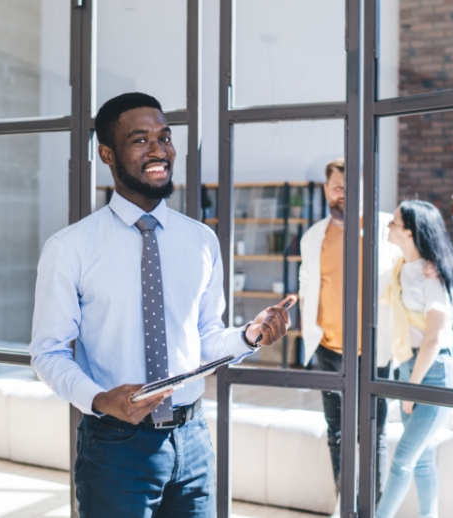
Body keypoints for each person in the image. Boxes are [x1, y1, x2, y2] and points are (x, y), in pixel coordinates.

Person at [29, 92, 295, 518]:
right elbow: (48, 352)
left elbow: (204, 338)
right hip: (115, 448)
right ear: (107, 154)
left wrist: (249, 335)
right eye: (140, 140)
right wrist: (100, 400)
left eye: (165, 137)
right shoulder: (69, 248)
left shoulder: (202, 241)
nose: (159, 150)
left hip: (192, 443)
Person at [298, 158, 403, 498]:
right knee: (337, 433)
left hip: (376, 352)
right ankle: (346, 504)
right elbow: (306, 287)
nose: (343, 193)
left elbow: (413, 267)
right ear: (328, 190)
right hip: (329, 351)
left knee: (374, 433)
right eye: (337, 187)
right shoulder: (313, 237)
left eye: (350, 187)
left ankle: (372, 508)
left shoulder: (386, 230)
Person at [374, 200, 453, 518]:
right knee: (422, 459)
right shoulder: (401, 267)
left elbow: (435, 337)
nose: (388, 226)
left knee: (402, 461)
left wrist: (412, 387)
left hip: (434, 373)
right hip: (410, 368)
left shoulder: (431, 275)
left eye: (395, 223)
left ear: (409, 232)